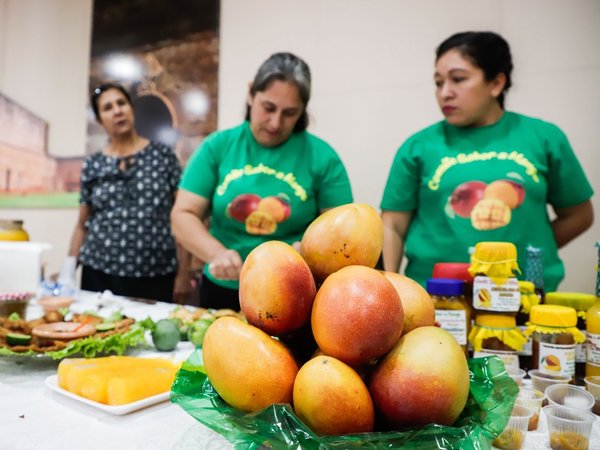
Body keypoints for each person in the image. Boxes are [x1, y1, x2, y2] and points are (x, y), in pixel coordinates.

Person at [380, 31, 594, 291]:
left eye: (458, 79)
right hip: (436, 299)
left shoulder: (544, 138)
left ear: (496, 83)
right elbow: (392, 225)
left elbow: (579, 215)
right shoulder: (417, 146)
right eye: (438, 83)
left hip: (525, 297)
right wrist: (388, 289)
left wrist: (526, 248)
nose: (445, 92)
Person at [171, 52, 353, 310]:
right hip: (224, 288)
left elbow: (342, 230)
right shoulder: (217, 147)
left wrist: (311, 251)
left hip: (293, 292)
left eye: (290, 113)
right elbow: (183, 215)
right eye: (268, 108)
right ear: (250, 94)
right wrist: (216, 254)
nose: (275, 122)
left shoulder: (323, 157)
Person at [59, 82, 192, 303]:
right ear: (100, 120)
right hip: (98, 274)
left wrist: (184, 273)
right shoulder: (93, 164)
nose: (117, 110)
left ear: (131, 109)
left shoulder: (163, 156)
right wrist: (68, 269)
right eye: (108, 107)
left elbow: (183, 215)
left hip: (155, 275)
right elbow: (82, 225)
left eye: (121, 103)